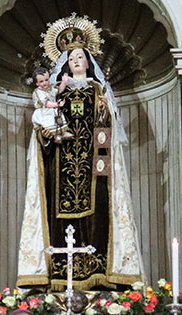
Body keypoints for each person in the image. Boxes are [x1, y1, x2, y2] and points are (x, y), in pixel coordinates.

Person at [16, 17, 143, 291]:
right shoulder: (51, 95)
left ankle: (99, 272)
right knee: (57, 215)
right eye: (71, 57)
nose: (75, 60)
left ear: (88, 62)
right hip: (59, 169)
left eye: (80, 57)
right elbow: (42, 126)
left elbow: (109, 126)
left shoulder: (99, 91)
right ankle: (56, 277)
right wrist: (46, 136)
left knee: (97, 211)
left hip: (94, 168)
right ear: (64, 63)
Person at [30, 67, 72, 142]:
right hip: (44, 112)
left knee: (59, 119)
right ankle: (54, 136)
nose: (45, 83)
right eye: (41, 81)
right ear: (37, 83)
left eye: (46, 80)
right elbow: (46, 103)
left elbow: (59, 90)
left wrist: (64, 82)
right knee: (50, 121)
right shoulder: (37, 92)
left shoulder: (50, 88)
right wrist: (57, 104)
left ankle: (62, 133)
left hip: (53, 110)